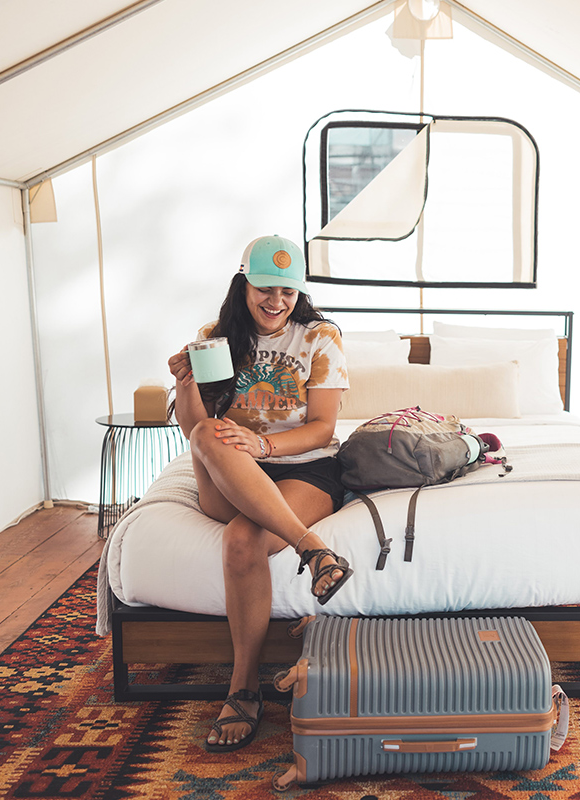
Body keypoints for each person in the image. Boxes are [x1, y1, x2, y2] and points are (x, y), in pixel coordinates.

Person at [167, 234, 352, 753]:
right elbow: (195, 429)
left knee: (242, 540)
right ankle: (312, 548)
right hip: (229, 473)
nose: (276, 301)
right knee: (207, 432)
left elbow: (322, 428)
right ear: (244, 284)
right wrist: (185, 383)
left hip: (305, 470)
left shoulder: (319, 338)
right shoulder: (215, 338)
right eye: (265, 289)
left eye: (287, 292)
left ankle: (243, 689)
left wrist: (264, 444)